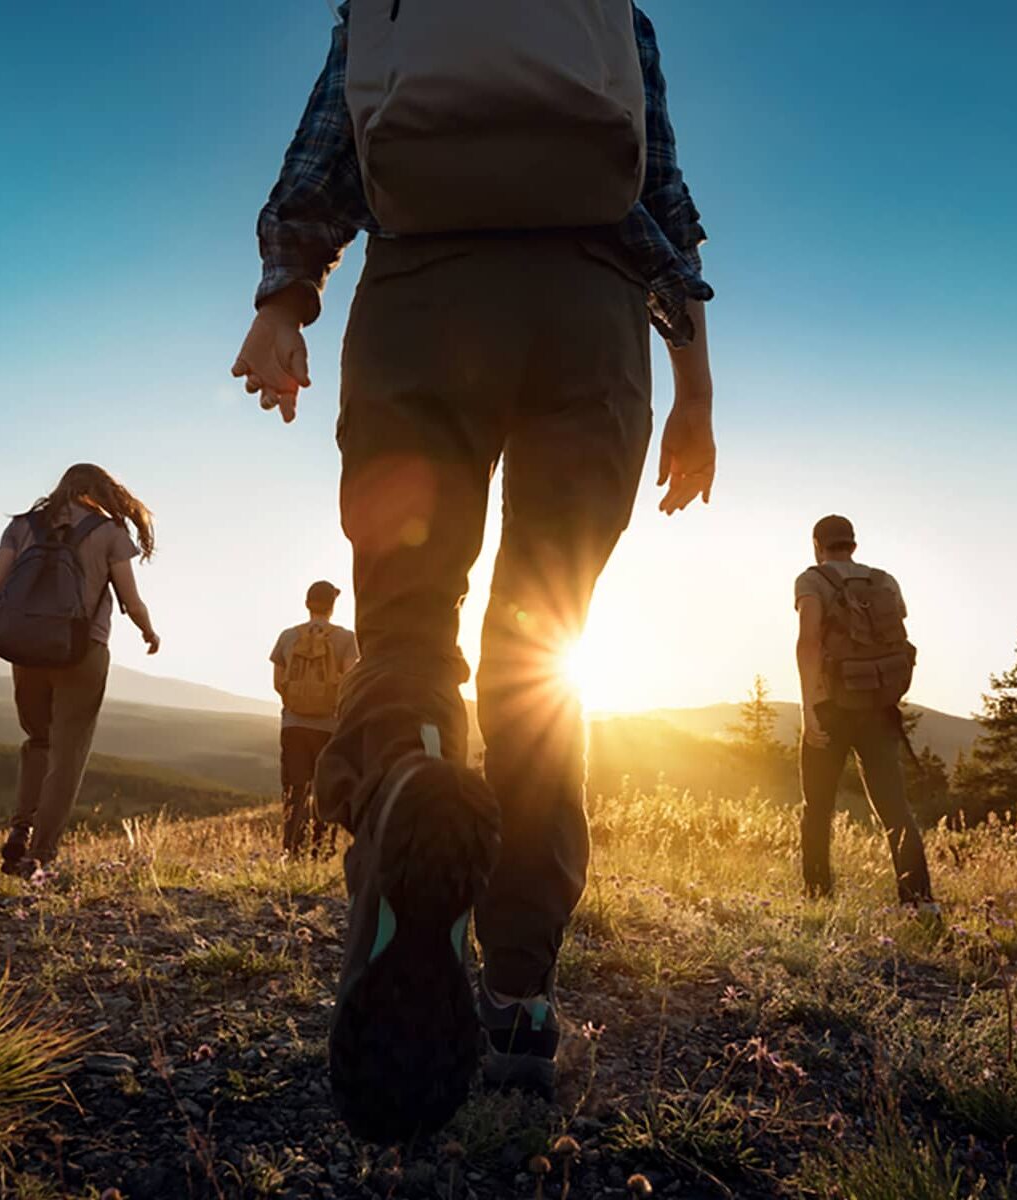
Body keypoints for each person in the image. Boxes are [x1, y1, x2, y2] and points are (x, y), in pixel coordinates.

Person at [233, 1, 716, 1141]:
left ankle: (404, 779)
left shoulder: (389, 3)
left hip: (417, 306)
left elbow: (326, 154)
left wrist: (281, 300)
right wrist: (692, 383)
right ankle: (514, 1003)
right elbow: (661, 192)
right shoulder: (608, 11)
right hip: (588, 320)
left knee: (404, 621)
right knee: (540, 649)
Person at [0, 464, 161, 878]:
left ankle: (20, 828)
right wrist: (148, 631)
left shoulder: (22, 526)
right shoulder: (110, 533)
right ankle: (41, 854)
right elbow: (130, 600)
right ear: (99, 490)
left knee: (38, 740)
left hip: (25, 647)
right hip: (82, 652)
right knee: (68, 754)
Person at [794, 514, 935, 909]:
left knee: (818, 806)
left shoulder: (812, 580)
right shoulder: (884, 581)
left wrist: (808, 710)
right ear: (853, 544)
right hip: (878, 706)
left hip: (830, 706)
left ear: (817, 545)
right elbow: (891, 636)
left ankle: (818, 899)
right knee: (894, 808)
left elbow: (807, 643)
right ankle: (920, 902)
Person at [270, 580, 361, 857]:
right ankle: (321, 850)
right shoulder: (346, 639)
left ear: (307, 604)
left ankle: (292, 850)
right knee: (326, 790)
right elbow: (349, 681)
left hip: (294, 725)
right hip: (330, 727)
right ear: (333, 606)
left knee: (295, 789)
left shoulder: (287, 636)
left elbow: (277, 683)